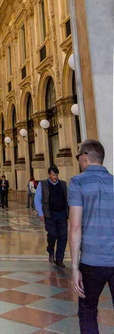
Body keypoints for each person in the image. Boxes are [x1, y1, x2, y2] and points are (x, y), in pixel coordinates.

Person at [68, 139, 114, 334]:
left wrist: (74, 267)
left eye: (79, 157)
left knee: (87, 311)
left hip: (91, 261)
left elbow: (75, 226)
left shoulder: (78, 181)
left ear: (85, 157)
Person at [35, 165, 68, 267]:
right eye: (53, 175)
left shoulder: (63, 184)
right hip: (50, 215)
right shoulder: (43, 184)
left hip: (62, 214)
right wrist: (41, 213)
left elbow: (68, 199)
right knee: (53, 234)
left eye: (57, 174)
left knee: (63, 237)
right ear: (49, 174)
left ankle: (59, 259)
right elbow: (37, 199)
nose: (55, 177)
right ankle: (50, 249)